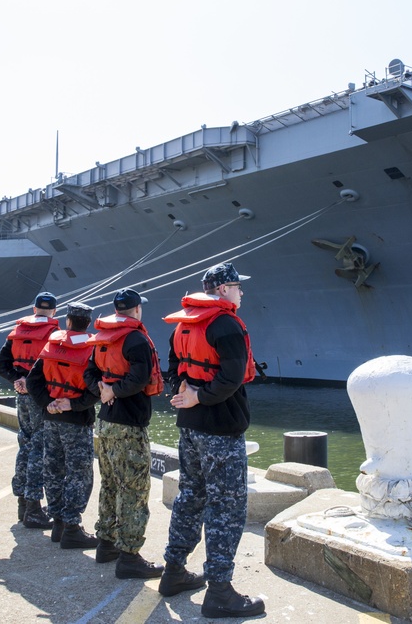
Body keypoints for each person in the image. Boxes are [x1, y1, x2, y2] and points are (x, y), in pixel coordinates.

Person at [159, 262, 264, 618]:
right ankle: (220, 591)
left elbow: (173, 368)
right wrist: (200, 397)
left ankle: (173, 571)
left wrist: (185, 392)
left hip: (189, 425)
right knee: (226, 506)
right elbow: (232, 378)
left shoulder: (185, 324)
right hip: (220, 427)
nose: (241, 292)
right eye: (236, 286)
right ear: (222, 290)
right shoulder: (226, 324)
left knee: (191, 495)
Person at [84, 289, 165, 579]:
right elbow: (140, 378)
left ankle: (106, 544)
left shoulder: (102, 338)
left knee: (110, 483)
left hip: (105, 421)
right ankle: (129, 556)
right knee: (134, 489)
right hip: (129, 425)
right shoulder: (137, 339)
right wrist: (115, 391)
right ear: (137, 310)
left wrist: (104, 392)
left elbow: (88, 373)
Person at [24, 302, 99, 549]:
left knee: (53, 469)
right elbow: (95, 389)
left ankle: (58, 523)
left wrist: (48, 404)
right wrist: (73, 405)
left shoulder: (51, 345)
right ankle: (72, 527)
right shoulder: (92, 348)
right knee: (79, 473)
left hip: (51, 421)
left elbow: (33, 382)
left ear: (67, 321)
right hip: (76, 421)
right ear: (87, 323)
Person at [0, 291, 59, 530]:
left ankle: (22, 502)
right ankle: (33, 507)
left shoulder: (17, 333)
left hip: (21, 397)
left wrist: (18, 378)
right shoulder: (54, 333)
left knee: (25, 444)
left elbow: (0, 364)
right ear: (54, 311)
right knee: (39, 450)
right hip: (42, 397)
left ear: (34, 309)